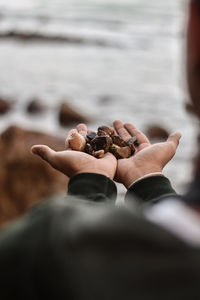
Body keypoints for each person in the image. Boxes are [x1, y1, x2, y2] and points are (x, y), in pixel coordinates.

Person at [1, 0, 200, 299]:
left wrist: (91, 185)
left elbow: (84, 258)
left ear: (193, 24)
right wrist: (149, 182)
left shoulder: (47, 252)